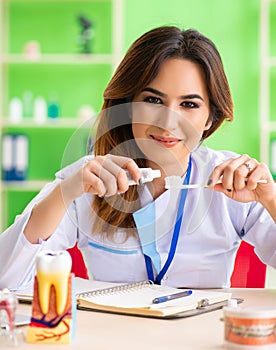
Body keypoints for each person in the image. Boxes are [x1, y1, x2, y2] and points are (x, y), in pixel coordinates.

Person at [1, 26, 276, 291]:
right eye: (153, 101)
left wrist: (271, 199)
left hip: (203, 337)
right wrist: (66, 191)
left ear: (210, 118)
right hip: (113, 337)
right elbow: (6, 279)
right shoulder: (90, 179)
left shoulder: (232, 181)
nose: (168, 122)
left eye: (189, 104)